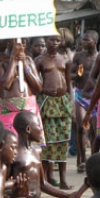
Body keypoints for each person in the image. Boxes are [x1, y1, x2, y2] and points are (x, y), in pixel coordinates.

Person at [9, 111, 76, 198]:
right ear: (28, 129)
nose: (42, 129)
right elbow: (1, 183)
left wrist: (67, 196)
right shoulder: (13, 153)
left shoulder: (37, 151)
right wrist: (13, 187)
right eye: (39, 125)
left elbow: (42, 184)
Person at [35, 35, 73, 189]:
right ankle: (43, 178)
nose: (55, 43)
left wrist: (70, 101)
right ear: (46, 41)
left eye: (57, 40)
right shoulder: (39, 60)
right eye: (52, 40)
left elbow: (69, 82)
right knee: (47, 141)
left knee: (63, 140)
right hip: (47, 102)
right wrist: (44, 90)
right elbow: (34, 83)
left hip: (63, 102)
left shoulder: (65, 59)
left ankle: (63, 179)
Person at [0, 39, 43, 136]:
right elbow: (6, 84)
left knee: (30, 145)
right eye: (19, 40)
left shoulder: (28, 60)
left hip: (29, 109)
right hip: (8, 111)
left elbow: (38, 87)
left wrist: (24, 64)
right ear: (9, 42)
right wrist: (13, 59)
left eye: (24, 40)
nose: (23, 42)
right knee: (11, 144)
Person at [71, 30, 99, 173]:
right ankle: (82, 159)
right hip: (81, 94)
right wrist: (76, 74)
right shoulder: (78, 56)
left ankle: (93, 160)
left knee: (95, 130)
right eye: (82, 40)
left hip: (95, 95)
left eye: (86, 40)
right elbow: (69, 74)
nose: (83, 42)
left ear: (94, 42)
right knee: (81, 127)